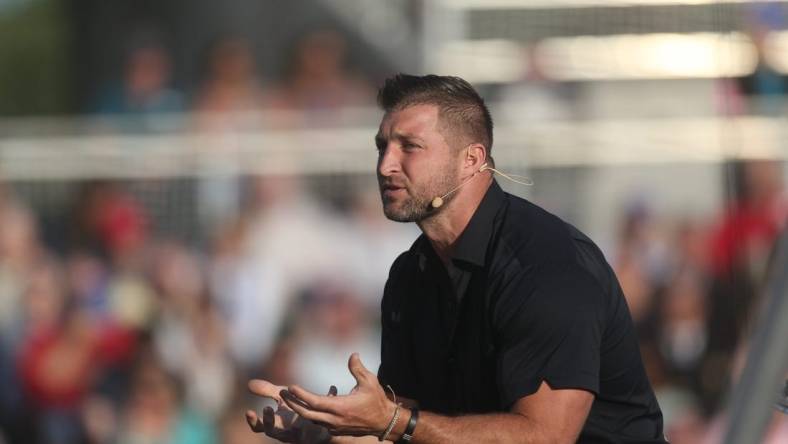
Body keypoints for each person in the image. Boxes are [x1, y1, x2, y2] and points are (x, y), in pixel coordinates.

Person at [245, 74, 667, 443]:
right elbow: (412, 426)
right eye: (382, 146)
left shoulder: (546, 266)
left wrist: (392, 422)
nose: (385, 165)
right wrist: (327, 429)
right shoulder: (411, 274)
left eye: (409, 146)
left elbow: (544, 437)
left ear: (472, 159)